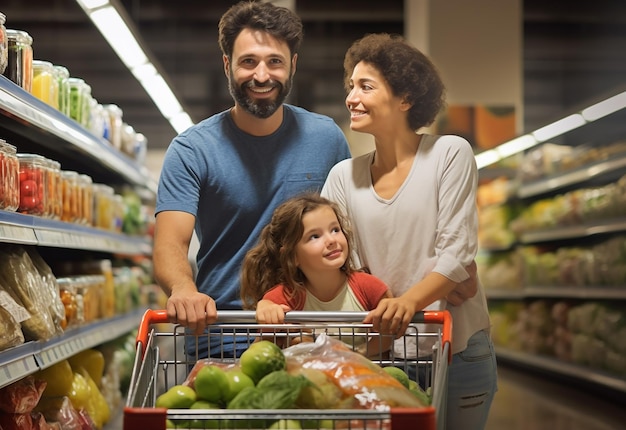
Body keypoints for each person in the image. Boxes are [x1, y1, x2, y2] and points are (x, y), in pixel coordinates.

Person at [152, 1, 352, 358]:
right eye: (249, 62)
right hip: (223, 330)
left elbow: (350, 229)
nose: (262, 76)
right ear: (228, 65)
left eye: (274, 61)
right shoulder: (192, 149)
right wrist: (183, 287)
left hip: (308, 330)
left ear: (292, 65)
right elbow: (170, 242)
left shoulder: (327, 138)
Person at [321, 33, 497, 429]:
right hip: (381, 352)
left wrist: (406, 301)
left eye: (366, 86)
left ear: (405, 98)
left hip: (458, 348)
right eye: (351, 86)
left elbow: (456, 255)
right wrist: (437, 284)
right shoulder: (342, 177)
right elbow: (345, 270)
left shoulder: (449, 154)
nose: (351, 97)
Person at [240, 193, 393, 356]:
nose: (331, 240)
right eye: (315, 236)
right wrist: (266, 311)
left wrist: (356, 356)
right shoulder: (285, 296)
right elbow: (257, 352)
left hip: (365, 377)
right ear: (292, 256)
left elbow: (388, 332)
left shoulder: (368, 287)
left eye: (335, 230)